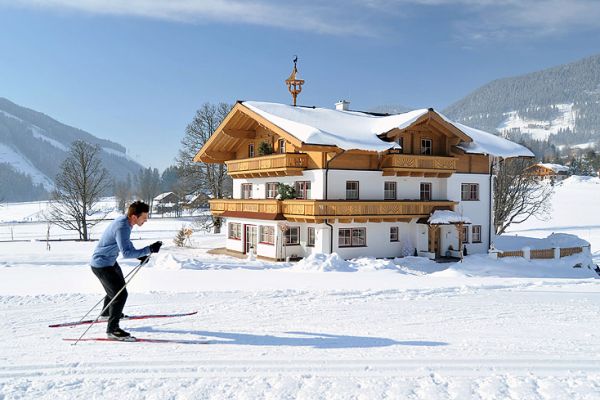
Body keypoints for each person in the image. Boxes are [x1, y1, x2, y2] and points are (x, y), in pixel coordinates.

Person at [90, 200, 162, 340]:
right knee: (120, 294)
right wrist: (149, 249)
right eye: (144, 218)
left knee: (117, 290)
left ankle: (106, 314)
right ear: (135, 216)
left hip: (108, 261)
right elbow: (126, 253)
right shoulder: (123, 226)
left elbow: (125, 244)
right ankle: (112, 330)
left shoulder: (126, 222)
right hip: (102, 265)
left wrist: (140, 255)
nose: (145, 220)